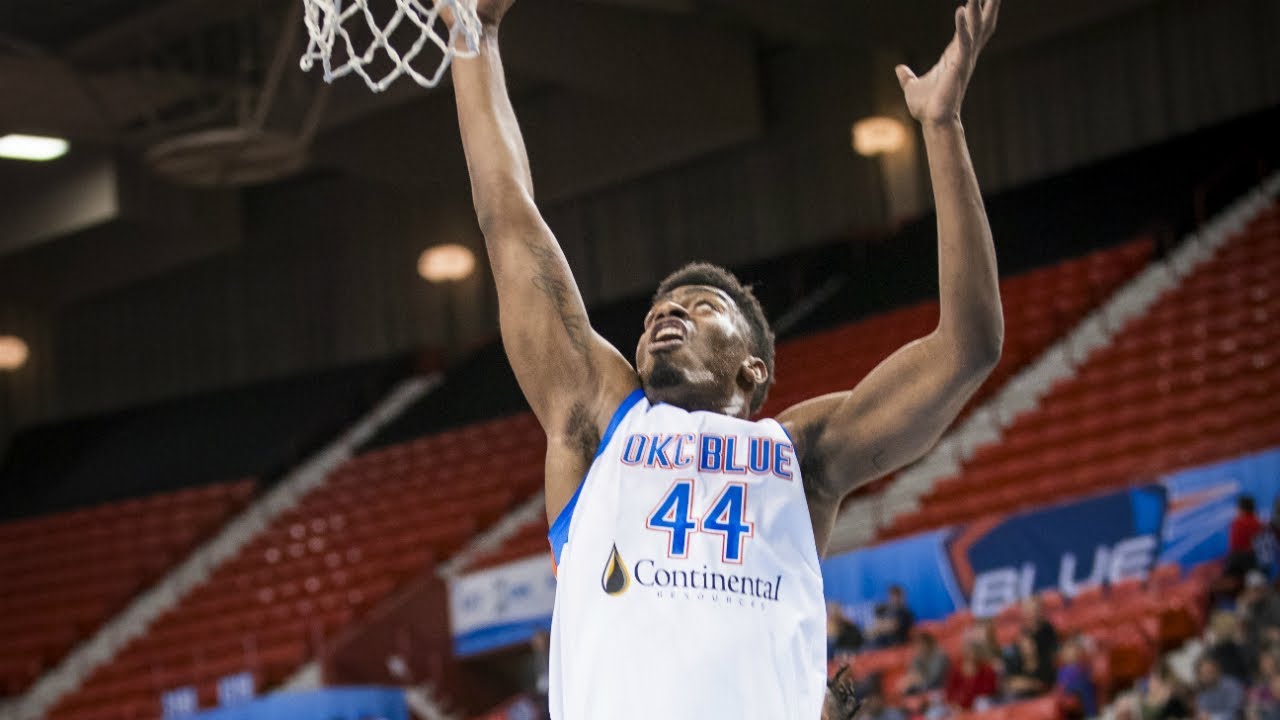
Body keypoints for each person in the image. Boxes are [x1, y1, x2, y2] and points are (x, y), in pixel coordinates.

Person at [446, 0, 1005, 717]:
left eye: (702, 306)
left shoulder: (802, 456)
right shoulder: (599, 420)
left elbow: (969, 348)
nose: (666, 312)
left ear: (753, 369)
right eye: (656, 311)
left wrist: (942, 126)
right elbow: (506, 214)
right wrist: (473, 35)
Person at [1002, 628, 1056, 702]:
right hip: (1019, 700)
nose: (1025, 649)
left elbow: (1045, 685)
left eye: (1028, 645)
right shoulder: (1016, 663)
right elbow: (1009, 683)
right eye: (1022, 646)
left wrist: (1026, 683)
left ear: (1035, 645)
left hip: (1040, 700)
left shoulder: (1045, 663)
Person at [945, 641, 999, 714]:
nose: (970, 657)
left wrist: (972, 677)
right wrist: (954, 704)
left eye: (972, 654)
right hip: (957, 705)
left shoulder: (987, 670)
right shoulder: (957, 669)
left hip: (976, 703)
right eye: (967, 654)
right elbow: (950, 690)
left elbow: (988, 690)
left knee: (982, 703)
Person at [1055, 636, 1097, 718]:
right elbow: (1061, 683)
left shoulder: (1081, 666)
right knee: (1084, 685)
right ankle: (1091, 715)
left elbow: (1087, 675)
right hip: (1067, 688)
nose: (1070, 653)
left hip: (1079, 687)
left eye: (1073, 651)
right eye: (1067, 651)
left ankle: (1091, 714)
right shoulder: (1062, 669)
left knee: (1087, 684)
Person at [1241, 570, 1280, 655]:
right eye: (1251, 589)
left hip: (1272, 647)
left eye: (1257, 589)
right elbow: (1243, 635)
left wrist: (1268, 633)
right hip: (1258, 648)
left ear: (1264, 588)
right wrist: (1243, 610)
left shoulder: (1275, 602)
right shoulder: (1250, 606)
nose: (1254, 593)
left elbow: (1276, 633)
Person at [1196, 655, 1246, 720]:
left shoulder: (1231, 685)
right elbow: (1203, 713)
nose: (1207, 676)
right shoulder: (1202, 694)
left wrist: (1212, 717)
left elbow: (1235, 712)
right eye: (1203, 674)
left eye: (1209, 672)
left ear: (1217, 670)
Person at [1229, 495, 1264, 583]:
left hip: (1241, 559)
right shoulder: (1259, 523)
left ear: (1241, 509)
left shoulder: (1237, 523)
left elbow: (1235, 546)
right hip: (1254, 560)